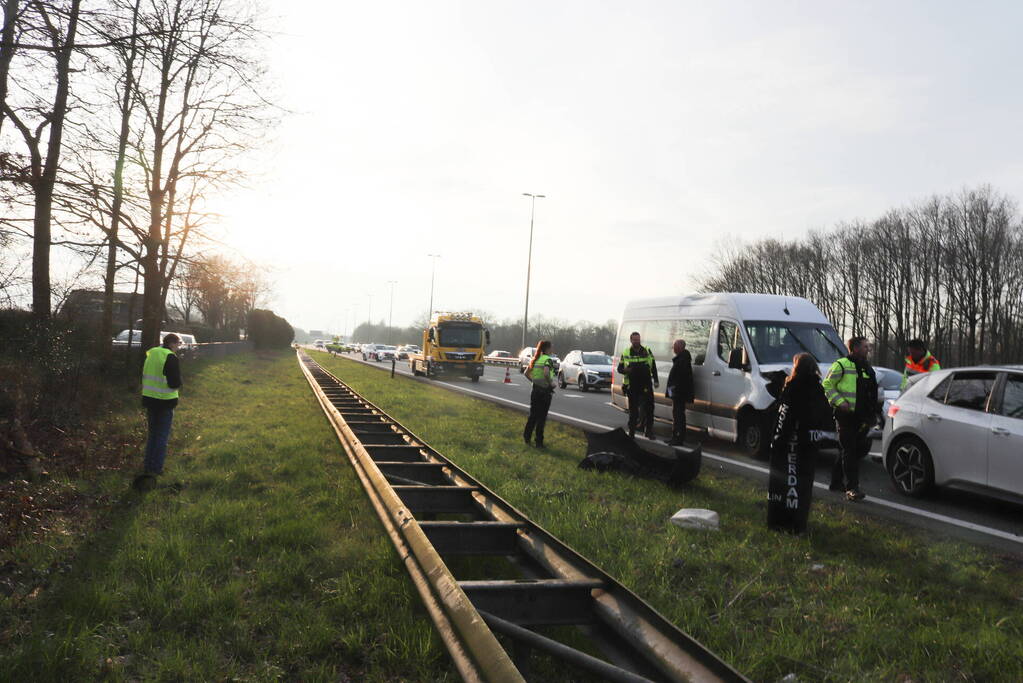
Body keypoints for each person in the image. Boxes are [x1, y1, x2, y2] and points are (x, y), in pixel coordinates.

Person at [767, 353, 831, 534]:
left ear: (797, 367)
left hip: (791, 445)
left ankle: (781, 523)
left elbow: (784, 417)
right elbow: (825, 418)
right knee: (802, 487)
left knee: (786, 483)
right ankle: (799, 524)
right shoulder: (818, 389)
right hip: (809, 447)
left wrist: (777, 441)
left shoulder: (792, 388)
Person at [822, 336, 878, 501]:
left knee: (849, 450)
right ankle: (852, 488)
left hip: (863, 418)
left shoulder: (867, 368)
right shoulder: (841, 365)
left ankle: (835, 482)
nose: (868, 349)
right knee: (850, 451)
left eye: (868, 347)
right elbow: (827, 385)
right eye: (865, 347)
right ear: (854, 348)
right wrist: (840, 402)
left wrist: (873, 414)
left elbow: (871, 392)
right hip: (846, 417)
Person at [133, 333, 183, 491]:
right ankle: (156, 469)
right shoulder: (170, 357)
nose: (178, 347)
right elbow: (174, 383)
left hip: (149, 400)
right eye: (178, 344)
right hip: (164, 402)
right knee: (162, 436)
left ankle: (148, 466)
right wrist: (179, 383)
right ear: (173, 343)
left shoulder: (152, 353)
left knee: (153, 435)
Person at [618, 331, 659, 439]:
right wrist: (625, 370)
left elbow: (653, 366)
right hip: (632, 385)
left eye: (638, 339)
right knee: (633, 411)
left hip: (646, 384)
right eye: (635, 340)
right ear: (631, 340)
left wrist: (656, 380)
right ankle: (631, 433)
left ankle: (648, 431)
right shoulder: (626, 352)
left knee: (649, 409)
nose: (637, 341)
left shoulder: (647, 350)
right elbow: (619, 369)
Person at [523, 339, 556, 448]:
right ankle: (539, 442)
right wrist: (551, 383)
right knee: (541, 418)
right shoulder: (548, 359)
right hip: (545, 392)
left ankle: (527, 437)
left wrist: (534, 381)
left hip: (535, 390)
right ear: (547, 348)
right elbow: (546, 372)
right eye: (551, 347)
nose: (552, 349)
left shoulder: (535, 359)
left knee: (533, 415)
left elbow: (526, 373)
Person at [665, 339, 694, 446]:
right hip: (677, 393)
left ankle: (678, 438)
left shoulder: (683, 360)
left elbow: (680, 379)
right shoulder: (682, 358)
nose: (673, 348)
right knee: (676, 415)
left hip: (679, 394)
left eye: (674, 346)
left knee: (678, 416)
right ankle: (675, 437)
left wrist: (674, 391)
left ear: (680, 347)